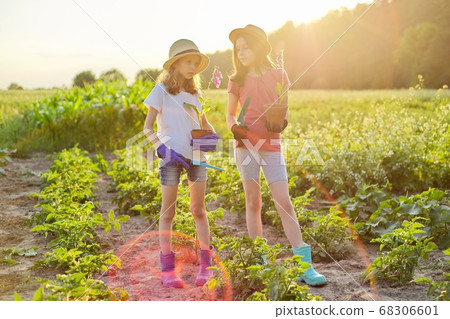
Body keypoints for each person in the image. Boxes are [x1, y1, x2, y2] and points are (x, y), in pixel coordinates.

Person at [226, 24, 326, 286]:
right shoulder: (236, 79)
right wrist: (234, 128)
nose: (241, 53)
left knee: (284, 201)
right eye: (238, 49)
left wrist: (281, 123)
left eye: (245, 47)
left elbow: (285, 110)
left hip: (271, 146)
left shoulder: (279, 75)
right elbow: (229, 114)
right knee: (253, 201)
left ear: (258, 47)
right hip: (245, 146)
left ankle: (305, 266)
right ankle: (261, 261)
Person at [143, 39, 219, 288]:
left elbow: (204, 127)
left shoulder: (196, 95)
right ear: (175, 64)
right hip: (170, 159)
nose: (193, 66)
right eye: (188, 61)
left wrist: (210, 136)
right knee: (169, 212)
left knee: (198, 209)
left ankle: (206, 267)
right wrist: (162, 148)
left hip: (197, 158)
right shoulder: (161, 91)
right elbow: (147, 128)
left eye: (195, 63)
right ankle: (167, 271)